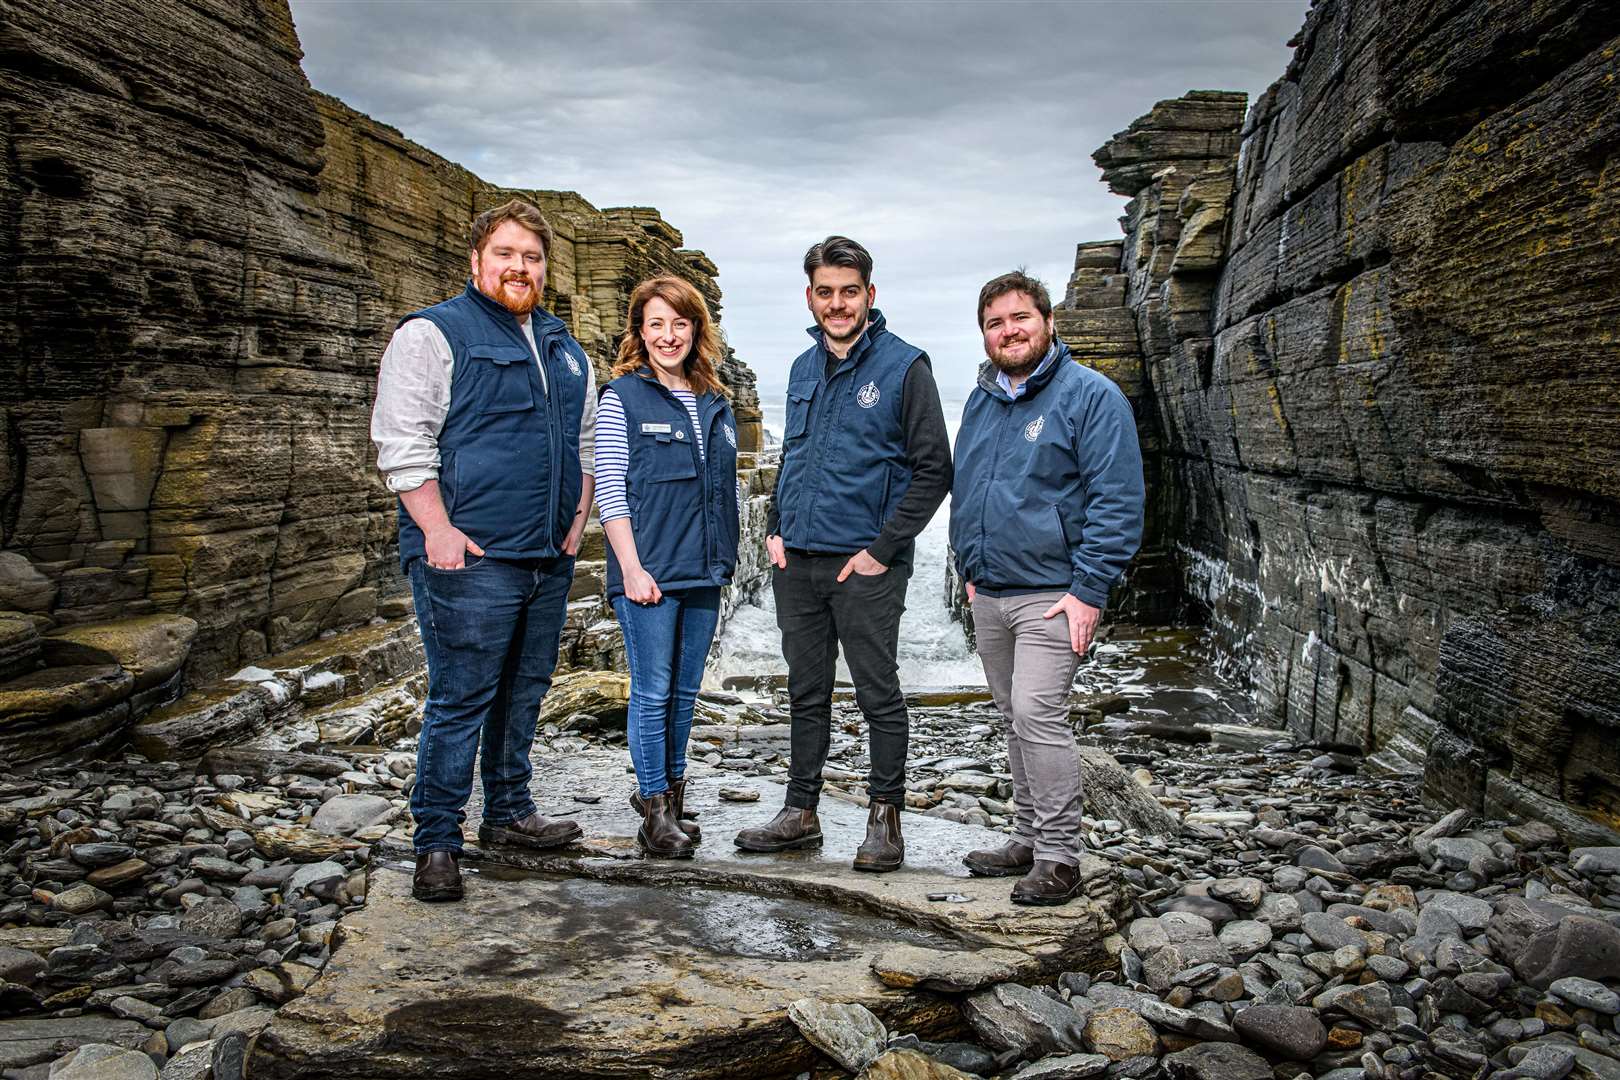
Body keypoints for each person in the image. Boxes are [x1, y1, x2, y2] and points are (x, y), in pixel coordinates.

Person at [371, 199, 596, 902]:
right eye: (505, 254)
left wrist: (578, 522)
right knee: (461, 697)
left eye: (531, 257)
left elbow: (586, 443)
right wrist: (437, 531)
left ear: (544, 268)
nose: (519, 267)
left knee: (524, 690)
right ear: (476, 261)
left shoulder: (565, 347)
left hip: (546, 558)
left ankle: (508, 814)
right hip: (469, 557)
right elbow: (402, 441)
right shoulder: (433, 334)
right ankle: (437, 840)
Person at [734, 236, 951, 872]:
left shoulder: (906, 367)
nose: (837, 303)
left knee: (877, 691)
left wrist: (882, 550)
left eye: (849, 292)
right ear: (810, 296)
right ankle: (800, 812)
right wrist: (774, 527)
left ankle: (885, 819)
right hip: (795, 563)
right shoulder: (802, 369)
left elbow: (934, 469)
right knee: (806, 691)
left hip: (864, 566)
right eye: (825, 292)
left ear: (870, 295)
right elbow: (792, 458)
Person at [949, 270, 1144, 905]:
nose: (1008, 331)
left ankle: (1061, 857)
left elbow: (1119, 501)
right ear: (984, 334)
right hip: (992, 591)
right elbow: (969, 487)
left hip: (1055, 594)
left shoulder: (1091, 396)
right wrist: (969, 570)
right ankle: (1028, 837)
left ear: (1047, 320)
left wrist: (1090, 590)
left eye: (1019, 318)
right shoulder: (982, 400)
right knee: (1014, 717)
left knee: (1038, 713)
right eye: (995, 323)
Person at [596, 275, 740, 858]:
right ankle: (653, 807)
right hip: (649, 573)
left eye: (679, 323)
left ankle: (673, 802)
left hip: (704, 571)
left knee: (683, 693)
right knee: (651, 692)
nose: (668, 335)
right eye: (655, 323)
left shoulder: (715, 401)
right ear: (639, 331)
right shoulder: (621, 397)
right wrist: (629, 568)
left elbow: (721, 491)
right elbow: (610, 489)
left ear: (696, 329)